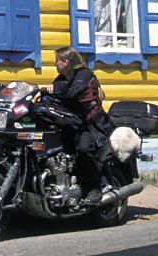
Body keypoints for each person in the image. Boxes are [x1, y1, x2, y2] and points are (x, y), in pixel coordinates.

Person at [46, 46, 115, 205]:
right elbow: (56, 98)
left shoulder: (84, 75)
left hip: (91, 125)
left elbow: (72, 91)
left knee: (84, 149)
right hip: (72, 123)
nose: (55, 64)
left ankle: (97, 186)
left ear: (66, 62)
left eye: (57, 60)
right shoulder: (60, 79)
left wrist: (52, 90)